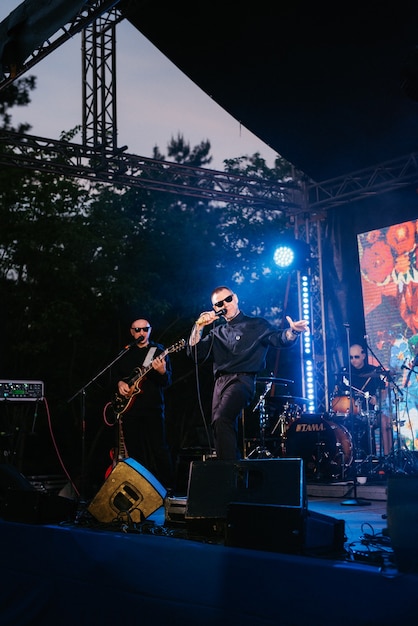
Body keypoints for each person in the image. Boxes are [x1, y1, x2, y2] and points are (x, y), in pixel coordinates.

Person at [188, 286, 308, 461]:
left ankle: (228, 471)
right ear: (215, 308)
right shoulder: (216, 333)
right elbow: (194, 353)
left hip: (242, 380)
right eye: (219, 303)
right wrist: (198, 327)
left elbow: (279, 339)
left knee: (222, 418)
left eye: (228, 299)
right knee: (218, 424)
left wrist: (294, 332)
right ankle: (232, 467)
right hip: (220, 382)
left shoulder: (256, 325)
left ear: (235, 298)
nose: (225, 305)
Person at [110, 318, 174, 489]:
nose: (141, 333)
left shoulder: (158, 351)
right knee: (135, 451)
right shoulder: (125, 353)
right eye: (137, 330)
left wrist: (162, 372)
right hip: (130, 410)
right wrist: (120, 384)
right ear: (132, 332)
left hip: (153, 409)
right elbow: (114, 375)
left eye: (145, 329)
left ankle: (168, 488)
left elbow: (167, 382)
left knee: (159, 449)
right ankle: (140, 489)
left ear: (150, 330)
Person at [334, 343, 389, 457]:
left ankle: (387, 459)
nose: (353, 360)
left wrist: (377, 399)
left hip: (370, 413)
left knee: (385, 420)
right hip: (351, 414)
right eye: (351, 357)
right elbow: (338, 394)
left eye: (356, 357)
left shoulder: (374, 371)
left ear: (363, 356)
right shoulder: (345, 372)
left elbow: (384, 390)